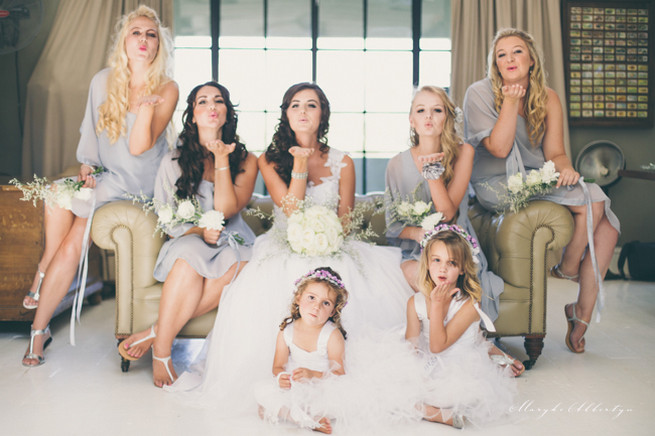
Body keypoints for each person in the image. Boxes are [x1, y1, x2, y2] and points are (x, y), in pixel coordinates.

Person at [167, 83, 413, 413]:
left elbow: (345, 218)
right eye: (295, 105)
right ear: (285, 114)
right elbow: (293, 209)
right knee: (290, 276)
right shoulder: (269, 160)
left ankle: (335, 372)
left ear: (322, 114)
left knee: (345, 278)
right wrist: (299, 165)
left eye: (311, 105)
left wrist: (326, 238)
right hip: (285, 245)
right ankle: (285, 375)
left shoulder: (343, 161)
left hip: (333, 245)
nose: (302, 111)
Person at [22, 5, 178, 367]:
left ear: (159, 45)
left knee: (75, 234)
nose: (143, 40)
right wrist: (88, 167)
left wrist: (142, 109)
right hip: (108, 174)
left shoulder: (167, 88)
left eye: (151, 34)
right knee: (59, 195)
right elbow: (91, 135)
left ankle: (38, 315)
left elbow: (140, 149)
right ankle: (40, 312)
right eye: (136, 32)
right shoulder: (102, 80)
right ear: (124, 39)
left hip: (140, 181)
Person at [463, 28, 620, 353]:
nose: (509, 58)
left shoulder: (547, 97)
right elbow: (500, 149)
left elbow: (556, 154)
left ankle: (580, 314)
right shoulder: (478, 93)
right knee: (593, 203)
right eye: (501, 54)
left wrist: (566, 170)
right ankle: (569, 268)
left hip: (536, 177)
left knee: (604, 221)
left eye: (517, 51)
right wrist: (510, 100)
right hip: (496, 183)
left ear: (531, 59)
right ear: (495, 62)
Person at [117, 82, 258, 387]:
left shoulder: (247, 160)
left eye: (218, 101)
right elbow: (167, 219)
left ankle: (156, 332)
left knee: (245, 262)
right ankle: (162, 355)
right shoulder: (171, 161)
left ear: (226, 113)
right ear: (192, 116)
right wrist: (197, 229)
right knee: (188, 256)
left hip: (230, 236)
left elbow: (227, 210)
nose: (211, 106)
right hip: (190, 236)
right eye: (202, 102)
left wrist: (222, 158)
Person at [385, 86, 523, 376]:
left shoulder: (463, 152)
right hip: (418, 248)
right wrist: (418, 234)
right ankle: (475, 343)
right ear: (411, 119)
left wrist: (432, 172)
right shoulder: (397, 164)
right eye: (421, 110)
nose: (428, 117)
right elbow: (393, 226)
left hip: (457, 245)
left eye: (437, 110)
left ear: (447, 117)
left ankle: (478, 344)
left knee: (451, 276)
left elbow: (448, 213)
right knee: (417, 274)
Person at [405, 224, 516, 428]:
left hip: (461, 369)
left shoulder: (469, 304)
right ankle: (434, 412)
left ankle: (438, 413)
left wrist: (437, 306)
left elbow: (438, 346)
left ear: (463, 268)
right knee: (388, 391)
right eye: (436, 260)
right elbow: (411, 343)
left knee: (448, 398)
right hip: (429, 364)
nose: (442, 268)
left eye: (452, 262)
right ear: (427, 263)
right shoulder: (415, 302)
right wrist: (411, 372)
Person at [255, 267, 348, 434]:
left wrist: (312, 375)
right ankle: (301, 418)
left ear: (333, 310)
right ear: (298, 298)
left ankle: (302, 417)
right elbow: (277, 366)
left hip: (323, 386)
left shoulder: (332, 335)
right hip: (295, 384)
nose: (316, 307)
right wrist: (282, 378)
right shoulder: (286, 331)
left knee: (337, 403)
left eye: (325, 303)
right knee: (261, 394)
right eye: (311, 298)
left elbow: (339, 373)